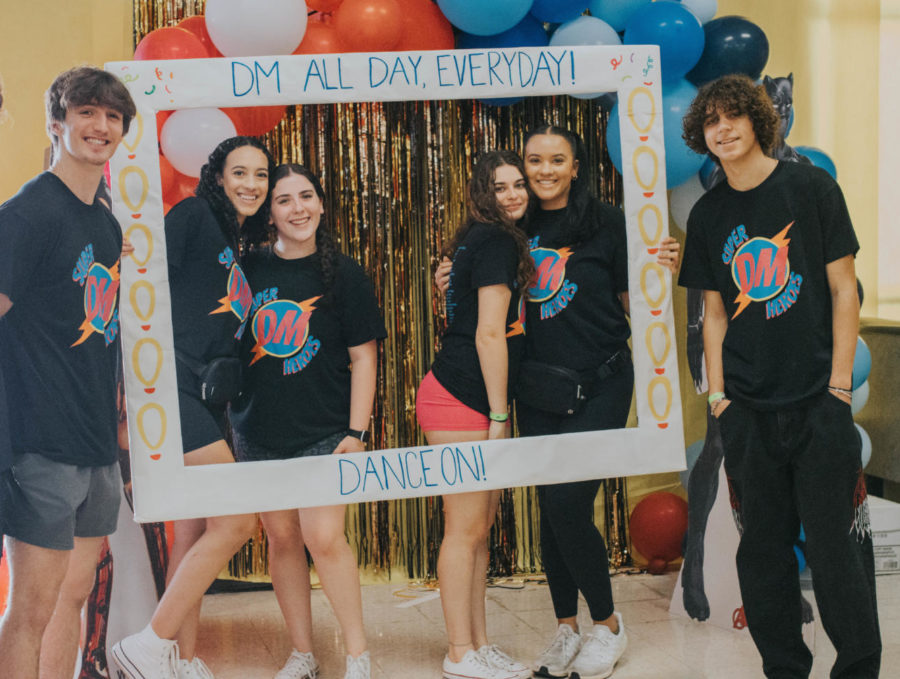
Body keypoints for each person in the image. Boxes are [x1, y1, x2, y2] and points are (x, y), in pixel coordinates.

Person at [436, 129, 680, 679]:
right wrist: (448, 274)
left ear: (575, 167)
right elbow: (477, 277)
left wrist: (658, 260)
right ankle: (566, 627)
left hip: (601, 380)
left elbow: (632, 295)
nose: (544, 171)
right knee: (551, 509)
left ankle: (609, 624)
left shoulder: (608, 221)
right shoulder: (511, 226)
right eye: (534, 161)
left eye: (556, 160)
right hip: (538, 387)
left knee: (569, 502)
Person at [678, 74, 881, 678]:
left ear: (758, 121)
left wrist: (840, 386)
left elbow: (845, 290)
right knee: (762, 557)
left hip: (820, 403)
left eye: (734, 115)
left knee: (837, 550)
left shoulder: (812, 189)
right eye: (711, 121)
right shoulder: (710, 214)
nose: (723, 128)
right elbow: (713, 315)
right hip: (746, 411)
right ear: (702, 135)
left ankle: (858, 669)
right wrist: (718, 397)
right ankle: (784, 669)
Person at [112, 136, 276, 679]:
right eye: (240, 172)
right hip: (169, 389)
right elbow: (138, 281)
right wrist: (126, 396)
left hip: (202, 396)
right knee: (236, 520)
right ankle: (148, 644)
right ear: (217, 175)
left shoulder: (234, 235)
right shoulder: (194, 214)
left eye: (260, 174)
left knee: (190, 531)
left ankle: (178, 660)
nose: (251, 184)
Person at [0, 65, 136, 679]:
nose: (99, 126)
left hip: (94, 442)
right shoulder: (25, 216)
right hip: (40, 443)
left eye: (111, 116)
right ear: (57, 123)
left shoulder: (104, 223)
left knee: (73, 598)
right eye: (86, 112)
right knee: (30, 609)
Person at [229, 163, 386, 679]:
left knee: (323, 538)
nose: (298, 208)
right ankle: (303, 653)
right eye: (284, 200)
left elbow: (365, 357)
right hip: (257, 431)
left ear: (321, 204)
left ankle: (357, 654)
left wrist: (356, 433)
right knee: (282, 540)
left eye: (307, 196)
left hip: (324, 432)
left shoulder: (344, 271)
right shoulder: (247, 269)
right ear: (268, 213)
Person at [417, 150, 536, 679]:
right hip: (460, 395)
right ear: (482, 193)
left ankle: (480, 643)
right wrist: (498, 412)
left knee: (479, 529)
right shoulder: (495, 241)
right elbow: (489, 332)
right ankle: (459, 652)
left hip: (463, 392)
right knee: (463, 529)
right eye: (501, 186)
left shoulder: (479, 239)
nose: (512, 194)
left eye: (519, 185)